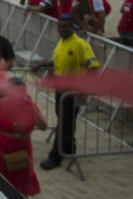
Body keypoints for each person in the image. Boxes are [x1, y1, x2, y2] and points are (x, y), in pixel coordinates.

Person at [34, 17, 99, 170]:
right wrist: (41, 65)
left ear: (72, 27)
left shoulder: (80, 44)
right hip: (60, 89)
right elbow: (57, 61)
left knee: (65, 122)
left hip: (72, 91)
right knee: (63, 119)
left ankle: (55, 156)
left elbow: (94, 67)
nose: (61, 29)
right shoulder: (61, 43)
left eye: (65, 27)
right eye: (59, 26)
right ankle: (69, 147)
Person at [0, 79, 46, 197]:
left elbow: (43, 126)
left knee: (20, 180)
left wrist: (31, 108)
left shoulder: (30, 106)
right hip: (0, 147)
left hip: (22, 148)